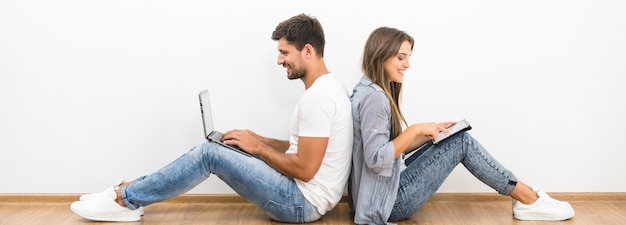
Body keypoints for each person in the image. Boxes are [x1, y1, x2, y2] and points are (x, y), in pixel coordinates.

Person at [70, 13, 353, 223]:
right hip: (304, 196)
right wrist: (257, 140)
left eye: (284, 53)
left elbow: (304, 169)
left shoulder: (318, 98)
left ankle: (124, 199)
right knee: (218, 147)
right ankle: (132, 191)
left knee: (209, 154)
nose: (279, 61)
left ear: (307, 50)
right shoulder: (328, 88)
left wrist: (257, 149)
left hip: (300, 203)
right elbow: (303, 150)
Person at [347, 27, 575, 224]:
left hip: (374, 195)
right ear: (381, 55)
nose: (407, 64)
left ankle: (526, 197)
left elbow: (390, 149)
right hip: (388, 202)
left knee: (453, 139)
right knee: (462, 143)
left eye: (407, 57)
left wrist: (429, 133)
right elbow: (376, 160)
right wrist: (414, 129)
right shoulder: (375, 99)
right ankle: (528, 198)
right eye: (401, 57)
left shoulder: (367, 89)